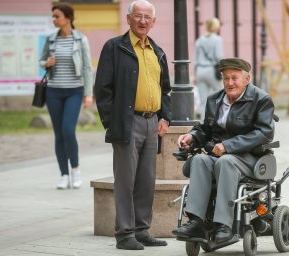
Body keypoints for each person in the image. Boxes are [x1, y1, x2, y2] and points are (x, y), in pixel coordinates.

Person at [172, 58, 275, 243]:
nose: (230, 82)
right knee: (199, 160)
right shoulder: (215, 100)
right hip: (219, 157)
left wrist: (229, 146)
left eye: (234, 78)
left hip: (249, 158)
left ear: (247, 79)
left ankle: (224, 226)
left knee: (225, 161)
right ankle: (196, 223)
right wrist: (192, 136)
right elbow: (205, 128)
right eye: (226, 78)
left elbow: (264, 133)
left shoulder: (261, 99)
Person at [94, 0, 170, 251]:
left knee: (146, 180)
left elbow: (165, 90)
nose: (143, 21)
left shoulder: (157, 51)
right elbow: (103, 90)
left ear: (153, 22)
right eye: (138, 15)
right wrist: (112, 122)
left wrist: (164, 117)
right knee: (125, 180)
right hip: (127, 122)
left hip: (152, 123)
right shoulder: (115, 47)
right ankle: (125, 233)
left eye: (147, 17)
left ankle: (141, 229)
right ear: (128, 19)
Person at [39, 2, 93, 190]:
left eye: (57, 16)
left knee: (68, 130)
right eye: (53, 16)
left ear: (68, 18)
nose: (54, 20)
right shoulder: (50, 39)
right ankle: (63, 174)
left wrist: (88, 94)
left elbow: (87, 67)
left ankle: (75, 169)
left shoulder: (80, 40)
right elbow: (41, 60)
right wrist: (47, 63)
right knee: (59, 134)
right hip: (53, 91)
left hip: (74, 91)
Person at [194, 17, 223, 121]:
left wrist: (195, 75)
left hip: (200, 71)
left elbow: (196, 59)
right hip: (211, 70)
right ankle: (218, 120)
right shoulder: (217, 39)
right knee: (220, 96)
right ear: (216, 27)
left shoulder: (199, 40)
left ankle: (203, 123)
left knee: (203, 100)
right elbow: (218, 56)